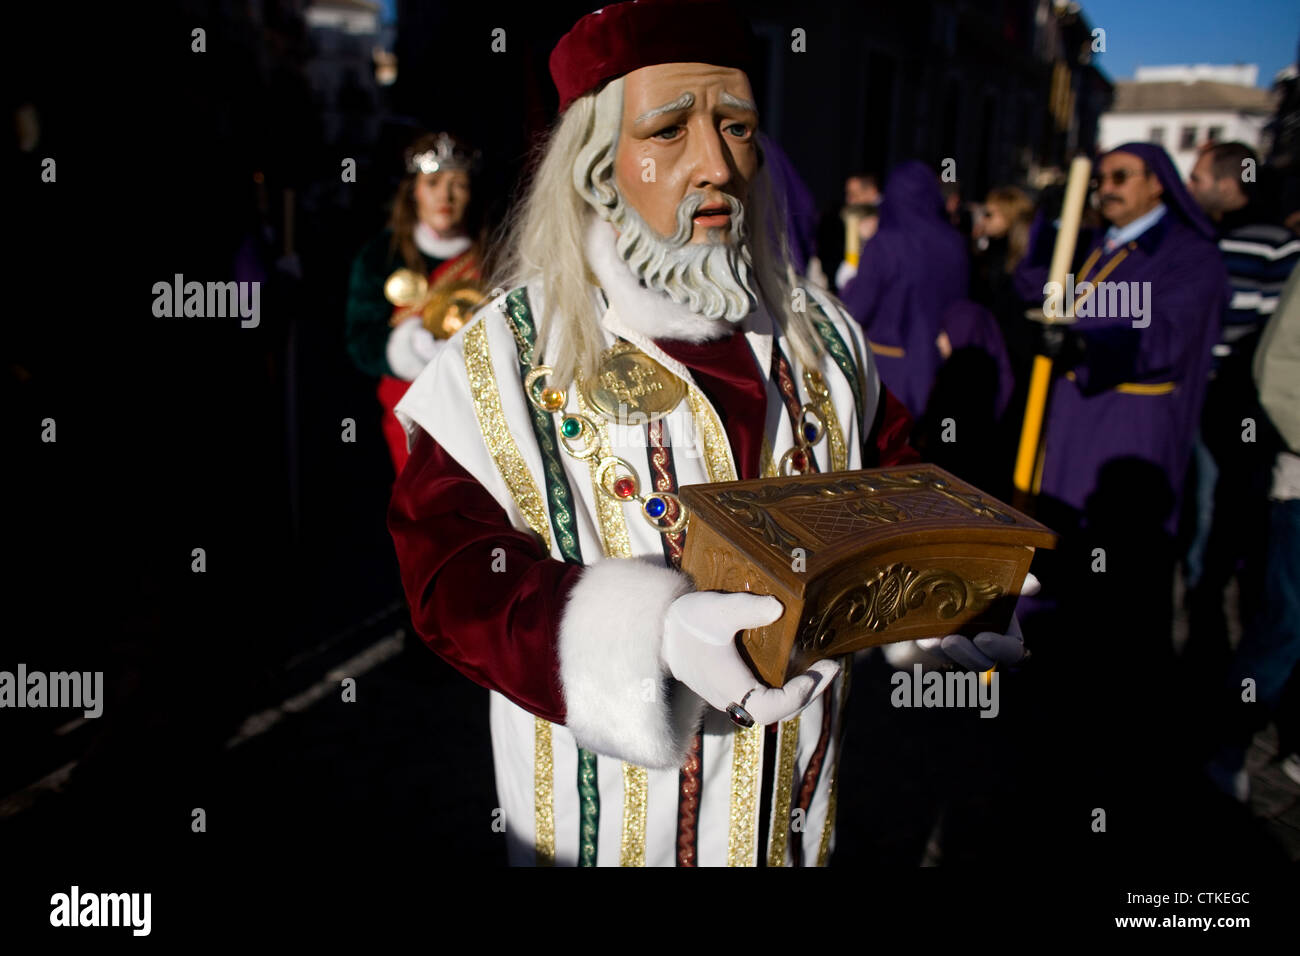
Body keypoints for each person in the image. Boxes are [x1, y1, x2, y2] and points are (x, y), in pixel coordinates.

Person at [386, 0, 1030, 867]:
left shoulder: (825, 337)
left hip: (790, 806)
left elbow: (891, 482)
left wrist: (941, 594)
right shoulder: (505, 355)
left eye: (737, 126)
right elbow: (449, 576)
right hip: (607, 822)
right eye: (668, 130)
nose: (717, 164)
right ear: (594, 165)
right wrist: (644, 636)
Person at [1184, 143, 1300, 667]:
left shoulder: (1276, 245)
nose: (1190, 187)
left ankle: (1213, 633)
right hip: (1190, 399)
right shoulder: (1199, 238)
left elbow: (1278, 340)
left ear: (1230, 183)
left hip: (1239, 408)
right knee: (1192, 512)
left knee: (1220, 515)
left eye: (1199, 177)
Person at [344, 131, 486, 473]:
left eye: (458, 184)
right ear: (415, 191)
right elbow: (361, 340)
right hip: (411, 409)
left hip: (479, 409)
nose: (445, 196)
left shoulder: (493, 254)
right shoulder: (382, 256)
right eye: (433, 182)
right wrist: (410, 347)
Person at [840, 160, 970, 419]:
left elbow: (857, 308)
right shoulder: (955, 242)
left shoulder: (885, 244)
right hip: (941, 364)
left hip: (890, 369)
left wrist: (849, 280)